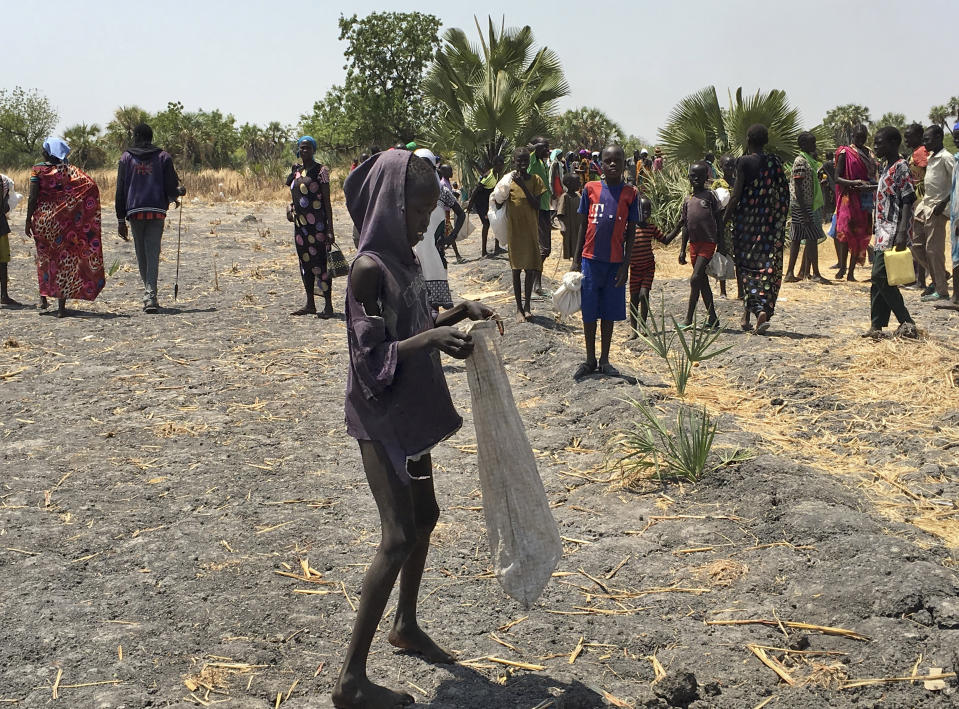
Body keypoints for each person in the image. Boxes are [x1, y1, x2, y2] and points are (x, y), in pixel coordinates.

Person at [334, 149, 496, 709]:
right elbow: (370, 359)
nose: (427, 222)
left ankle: (405, 623)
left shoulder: (407, 259)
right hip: (381, 418)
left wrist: (457, 314)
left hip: (410, 410)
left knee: (425, 517)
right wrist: (429, 340)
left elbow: (421, 322)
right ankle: (350, 682)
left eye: (432, 212)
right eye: (419, 210)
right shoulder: (368, 270)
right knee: (398, 535)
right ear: (391, 203)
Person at [573, 144, 638, 378]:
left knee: (608, 313)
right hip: (590, 260)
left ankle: (605, 359)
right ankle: (589, 359)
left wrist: (626, 264)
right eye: (608, 160)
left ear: (623, 164)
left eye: (617, 161)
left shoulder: (631, 193)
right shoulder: (590, 188)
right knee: (589, 312)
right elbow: (583, 225)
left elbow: (631, 231)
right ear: (601, 163)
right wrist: (575, 260)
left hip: (615, 263)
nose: (612, 164)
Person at [25, 138, 105, 318]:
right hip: (64, 221)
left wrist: (28, 220)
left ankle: (43, 298)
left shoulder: (38, 169)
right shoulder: (70, 170)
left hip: (43, 220)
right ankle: (61, 308)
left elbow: (32, 198)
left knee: (44, 258)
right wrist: (73, 206)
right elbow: (90, 185)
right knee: (63, 261)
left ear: (47, 152)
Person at [724, 124, 790, 334]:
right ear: (766, 140)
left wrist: (723, 219)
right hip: (769, 223)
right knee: (767, 267)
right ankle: (754, 313)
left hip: (746, 225)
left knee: (746, 268)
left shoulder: (743, 162)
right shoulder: (776, 162)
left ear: (748, 140)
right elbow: (783, 193)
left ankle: (757, 308)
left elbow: (736, 195)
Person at [115, 123, 186, 313]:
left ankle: (149, 295)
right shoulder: (163, 156)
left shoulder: (126, 157)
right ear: (151, 136)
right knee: (153, 252)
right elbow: (171, 186)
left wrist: (120, 219)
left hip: (134, 211)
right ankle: (150, 296)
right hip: (156, 210)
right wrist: (178, 193)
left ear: (136, 136)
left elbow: (120, 190)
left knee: (141, 253)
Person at [862, 126, 918, 339]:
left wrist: (902, 231)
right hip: (882, 230)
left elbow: (907, 199)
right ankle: (876, 325)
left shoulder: (901, 166)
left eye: (880, 142)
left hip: (894, 229)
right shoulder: (886, 166)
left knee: (879, 275)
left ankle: (906, 320)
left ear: (894, 143)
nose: (876, 146)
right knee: (878, 279)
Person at [664, 162, 722, 329]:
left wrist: (722, 244)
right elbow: (685, 225)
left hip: (708, 243)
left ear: (706, 178)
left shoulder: (710, 196)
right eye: (692, 175)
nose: (696, 178)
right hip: (694, 245)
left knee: (695, 278)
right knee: (702, 281)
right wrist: (682, 250)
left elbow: (719, 220)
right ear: (688, 177)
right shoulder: (688, 200)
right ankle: (713, 317)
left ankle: (689, 319)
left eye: (700, 176)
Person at [286, 136, 336, 318]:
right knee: (305, 264)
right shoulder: (296, 171)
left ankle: (328, 305)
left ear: (313, 150)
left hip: (318, 227)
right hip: (301, 228)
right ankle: (310, 303)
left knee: (321, 265)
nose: (304, 151)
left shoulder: (321, 171)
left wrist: (330, 229)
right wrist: (289, 209)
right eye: (302, 148)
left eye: (307, 148)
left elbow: (327, 202)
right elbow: (293, 197)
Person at [498, 147, 546, 322]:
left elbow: (536, 204)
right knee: (516, 269)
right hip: (515, 231)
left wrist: (524, 187)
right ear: (514, 162)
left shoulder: (536, 180)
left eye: (526, 160)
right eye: (520, 160)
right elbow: (498, 200)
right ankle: (518, 308)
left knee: (531, 268)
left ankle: (527, 306)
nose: (523, 163)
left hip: (530, 230)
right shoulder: (508, 182)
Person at [412, 149, 463, 310]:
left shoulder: (442, 191)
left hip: (435, 253)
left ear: (434, 167)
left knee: (434, 308)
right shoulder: (407, 191)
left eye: (427, 166)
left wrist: (451, 236)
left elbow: (461, 214)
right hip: (413, 254)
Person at [914, 125, 954, 302]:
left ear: (939, 137)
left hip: (938, 209)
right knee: (916, 245)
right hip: (926, 206)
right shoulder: (931, 157)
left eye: (927, 139)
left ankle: (942, 291)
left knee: (934, 249)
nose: (925, 143)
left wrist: (944, 202)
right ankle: (941, 275)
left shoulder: (946, 158)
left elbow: (956, 183)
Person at [834, 125, 877, 281]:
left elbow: (873, 176)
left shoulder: (870, 153)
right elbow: (837, 178)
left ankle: (851, 272)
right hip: (849, 198)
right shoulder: (845, 152)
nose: (860, 140)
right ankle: (842, 267)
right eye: (857, 137)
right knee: (846, 233)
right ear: (852, 136)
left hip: (865, 198)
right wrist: (855, 182)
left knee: (860, 234)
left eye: (863, 137)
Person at [785, 132, 829, 284]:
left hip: (804, 204)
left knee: (798, 237)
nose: (814, 146)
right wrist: (804, 211)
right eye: (812, 143)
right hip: (802, 205)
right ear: (803, 145)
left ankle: (791, 272)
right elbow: (797, 186)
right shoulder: (801, 161)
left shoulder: (808, 161)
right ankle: (815, 273)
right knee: (810, 237)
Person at [627, 196, 669, 337]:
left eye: (648, 210)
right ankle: (634, 329)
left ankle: (644, 326)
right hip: (634, 269)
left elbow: (665, 240)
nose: (645, 213)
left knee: (644, 295)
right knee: (633, 298)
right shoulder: (629, 228)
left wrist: (679, 225)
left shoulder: (651, 228)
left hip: (648, 268)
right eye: (641, 210)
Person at [464, 155, 505, 257]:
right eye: (499, 165)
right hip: (481, 203)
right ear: (495, 165)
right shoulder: (489, 176)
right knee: (486, 225)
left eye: (502, 166)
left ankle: (497, 247)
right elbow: (476, 190)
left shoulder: (496, 174)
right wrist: (470, 204)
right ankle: (483, 251)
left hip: (489, 201)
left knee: (496, 221)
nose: (500, 168)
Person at [904, 123, 930, 291]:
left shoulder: (921, 152)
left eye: (909, 136)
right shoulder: (917, 152)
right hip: (916, 197)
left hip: (920, 198)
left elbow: (926, 173)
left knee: (918, 240)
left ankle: (922, 279)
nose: (906, 139)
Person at [527, 138, 552, 295]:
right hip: (537, 209)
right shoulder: (533, 161)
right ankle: (535, 283)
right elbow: (529, 149)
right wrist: (536, 147)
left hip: (545, 208)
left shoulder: (542, 163)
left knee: (544, 249)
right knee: (543, 249)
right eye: (545, 147)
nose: (548, 150)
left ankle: (537, 282)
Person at [711, 155, 738, 298]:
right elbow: (714, 204)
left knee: (739, 257)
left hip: (738, 223)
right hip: (723, 224)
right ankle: (723, 290)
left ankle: (741, 291)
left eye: (732, 165)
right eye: (727, 165)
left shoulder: (738, 182)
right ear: (721, 166)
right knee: (722, 254)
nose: (730, 168)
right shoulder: (717, 184)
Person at [0, 175, 19, 306]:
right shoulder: (3, 181)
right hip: (0, 226)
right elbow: (4, 207)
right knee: (2, 262)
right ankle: (4, 295)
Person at [557, 173, 583, 260]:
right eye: (577, 182)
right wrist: (563, 226)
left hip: (578, 227)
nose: (579, 184)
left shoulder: (579, 196)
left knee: (579, 247)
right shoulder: (565, 197)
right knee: (571, 247)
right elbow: (560, 214)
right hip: (570, 228)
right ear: (569, 184)